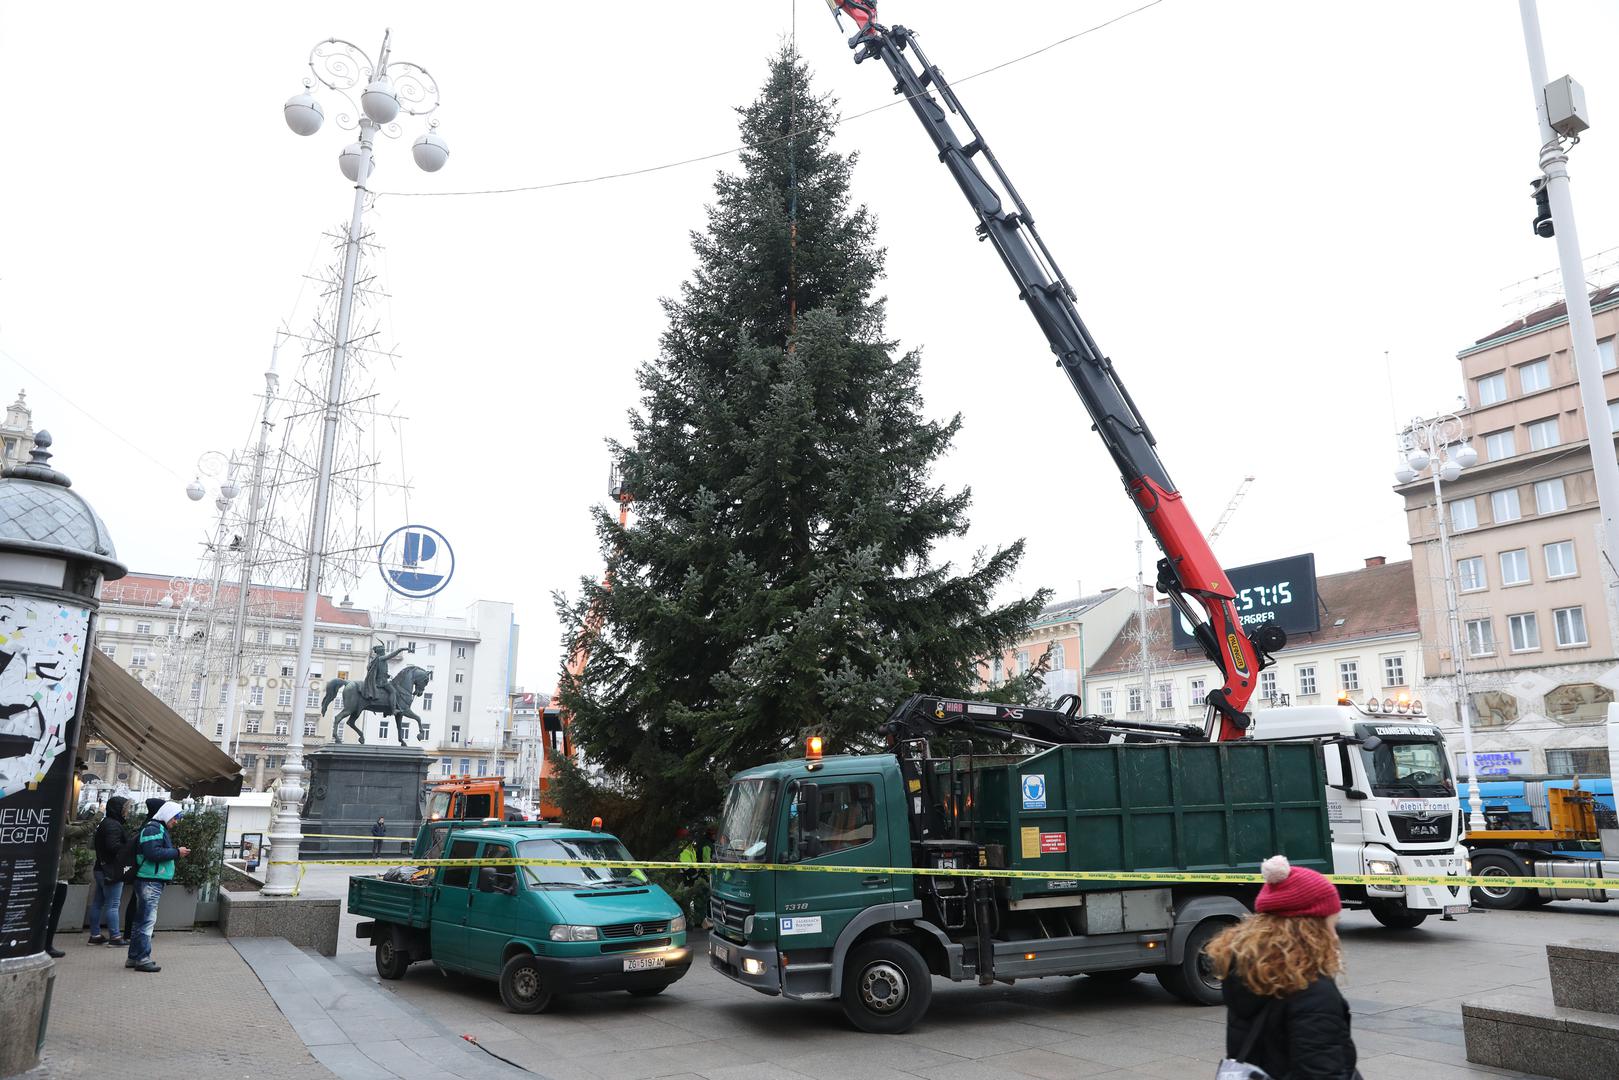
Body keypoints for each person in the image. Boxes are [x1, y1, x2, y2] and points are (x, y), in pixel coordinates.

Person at [1207, 855, 1359, 1080]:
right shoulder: (1313, 993)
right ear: (1310, 929)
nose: (1335, 938)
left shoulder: (1246, 972)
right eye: (1331, 925)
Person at [126, 801, 190, 974]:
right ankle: (143, 959)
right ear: (167, 814)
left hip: (148, 880)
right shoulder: (154, 829)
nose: (177, 821)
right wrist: (177, 852)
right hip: (150, 880)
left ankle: (133, 957)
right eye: (176, 817)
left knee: (141, 920)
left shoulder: (154, 828)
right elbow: (153, 853)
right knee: (147, 920)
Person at [87, 795, 129, 946]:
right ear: (118, 809)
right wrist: (128, 849)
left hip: (101, 868)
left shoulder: (107, 823)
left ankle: (95, 935)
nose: (127, 811)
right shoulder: (113, 825)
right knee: (113, 904)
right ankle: (115, 936)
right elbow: (113, 846)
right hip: (111, 869)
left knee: (98, 902)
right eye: (125, 808)